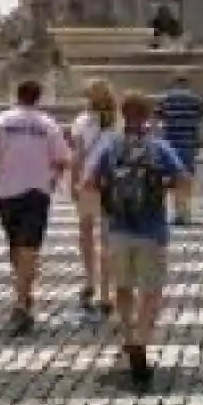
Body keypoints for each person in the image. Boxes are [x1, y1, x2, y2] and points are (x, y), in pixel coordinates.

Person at [83, 91, 189, 386]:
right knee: (152, 291)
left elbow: (89, 183)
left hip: (118, 229)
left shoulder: (112, 148)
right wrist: (165, 188)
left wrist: (108, 196)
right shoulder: (159, 147)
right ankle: (142, 340)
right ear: (148, 116)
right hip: (152, 230)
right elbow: (183, 180)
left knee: (124, 287)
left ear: (122, 114)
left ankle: (129, 334)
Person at [0, 78, 70, 336]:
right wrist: (54, 177)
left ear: (16, 95)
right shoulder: (48, 124)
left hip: (7, 192)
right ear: (38, 98)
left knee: (17, 245)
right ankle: (24, 294)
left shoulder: (1, 121)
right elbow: (63, 158)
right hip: (36, 191)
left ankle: (21, 301)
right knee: (28, 247)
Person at [69, 79, 116, 313]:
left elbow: (77, 157)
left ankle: (90, 281)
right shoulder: (118, 122)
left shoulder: (82, 122)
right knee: (108, 237)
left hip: (88, 183)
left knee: (86, 234)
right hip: (112, 184)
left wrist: (72, 182)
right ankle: (107, 292)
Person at [158, 73, 203, 225]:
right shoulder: (196, 101)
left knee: (170, 179)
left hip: (170, 144)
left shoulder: (166, 100)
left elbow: (157, 121)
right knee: (185, 178)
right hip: (188, 144)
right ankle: (183, 212)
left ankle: (171, 209)